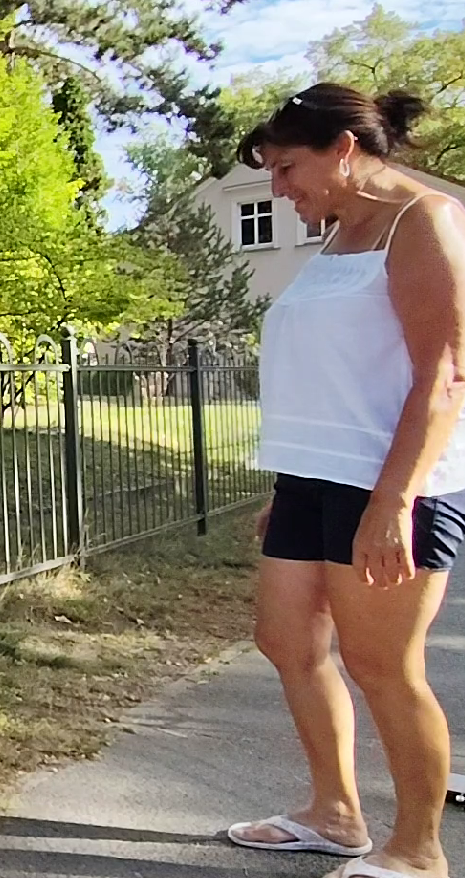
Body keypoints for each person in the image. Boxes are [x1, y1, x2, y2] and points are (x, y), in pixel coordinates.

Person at [224, 83, 465, 878]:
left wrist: (393, 501)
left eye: (286, 169)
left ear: (343, 149)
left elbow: (443, 376)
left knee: (381, 666)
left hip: (392, 484)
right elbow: (332, 372)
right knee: (286, 641)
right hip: (310, 480)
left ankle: (418, 851)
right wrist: (286, 484)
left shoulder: (422, 221)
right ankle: (332, 814)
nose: (278, 189)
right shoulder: (337, 236)